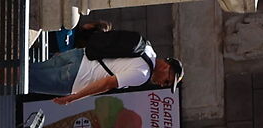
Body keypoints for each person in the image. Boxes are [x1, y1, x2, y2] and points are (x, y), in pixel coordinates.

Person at [25, 36, 182, 105]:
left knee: (26, 71)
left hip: (79, 55)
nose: (162, 84)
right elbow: (107, 83)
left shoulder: (147, 47)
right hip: (76, 78)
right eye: (168, 80)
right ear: (167, 67)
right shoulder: (143, 74)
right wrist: (73, 98)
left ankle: (1, 67)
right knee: (23, 80)